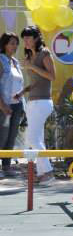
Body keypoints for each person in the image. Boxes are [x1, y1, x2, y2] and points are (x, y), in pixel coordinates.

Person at [20, 27, 55, 183]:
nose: (25, 41)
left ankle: (48, 172)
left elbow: (52, 76)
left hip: (43, 102)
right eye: (24, 38)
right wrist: (23, 91)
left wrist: (32, 66)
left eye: (28, 38)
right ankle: (42, 174)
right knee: (37, 139)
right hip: (32, 101)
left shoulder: (44, 53)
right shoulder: (30, 56)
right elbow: (37, 81)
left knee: (32, 138)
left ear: (36, 38)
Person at [0, 33, 25, 178]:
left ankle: (6, 167)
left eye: (16, 43)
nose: (15, 46)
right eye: (11, 43)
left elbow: (19, 84)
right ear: (4, 45)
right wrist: (2, 105)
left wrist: (22, 104)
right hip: (3, 106)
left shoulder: (15, 62)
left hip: (17, 105)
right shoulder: (0, 60)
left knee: (11, 137)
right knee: (1, 136)